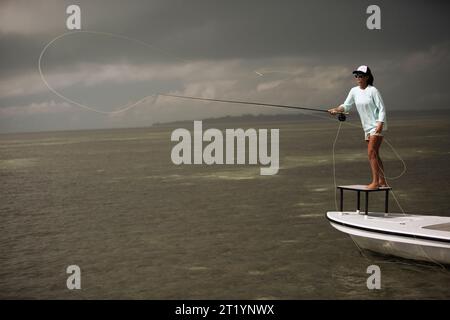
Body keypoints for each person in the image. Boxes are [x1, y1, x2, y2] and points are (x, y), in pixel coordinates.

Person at [328, 65, 387, 189]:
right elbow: (346, 106)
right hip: (366, 128)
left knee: (371, 152)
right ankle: (382, 181)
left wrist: (380, 123)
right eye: (356, 76)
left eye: (361, 76)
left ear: (367, 77)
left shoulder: (373, 90)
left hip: (376, 125)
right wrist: (336, 110)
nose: (358, 78)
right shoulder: (354, 91)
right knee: (375, 154)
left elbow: (381, 108)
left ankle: (375, 182)